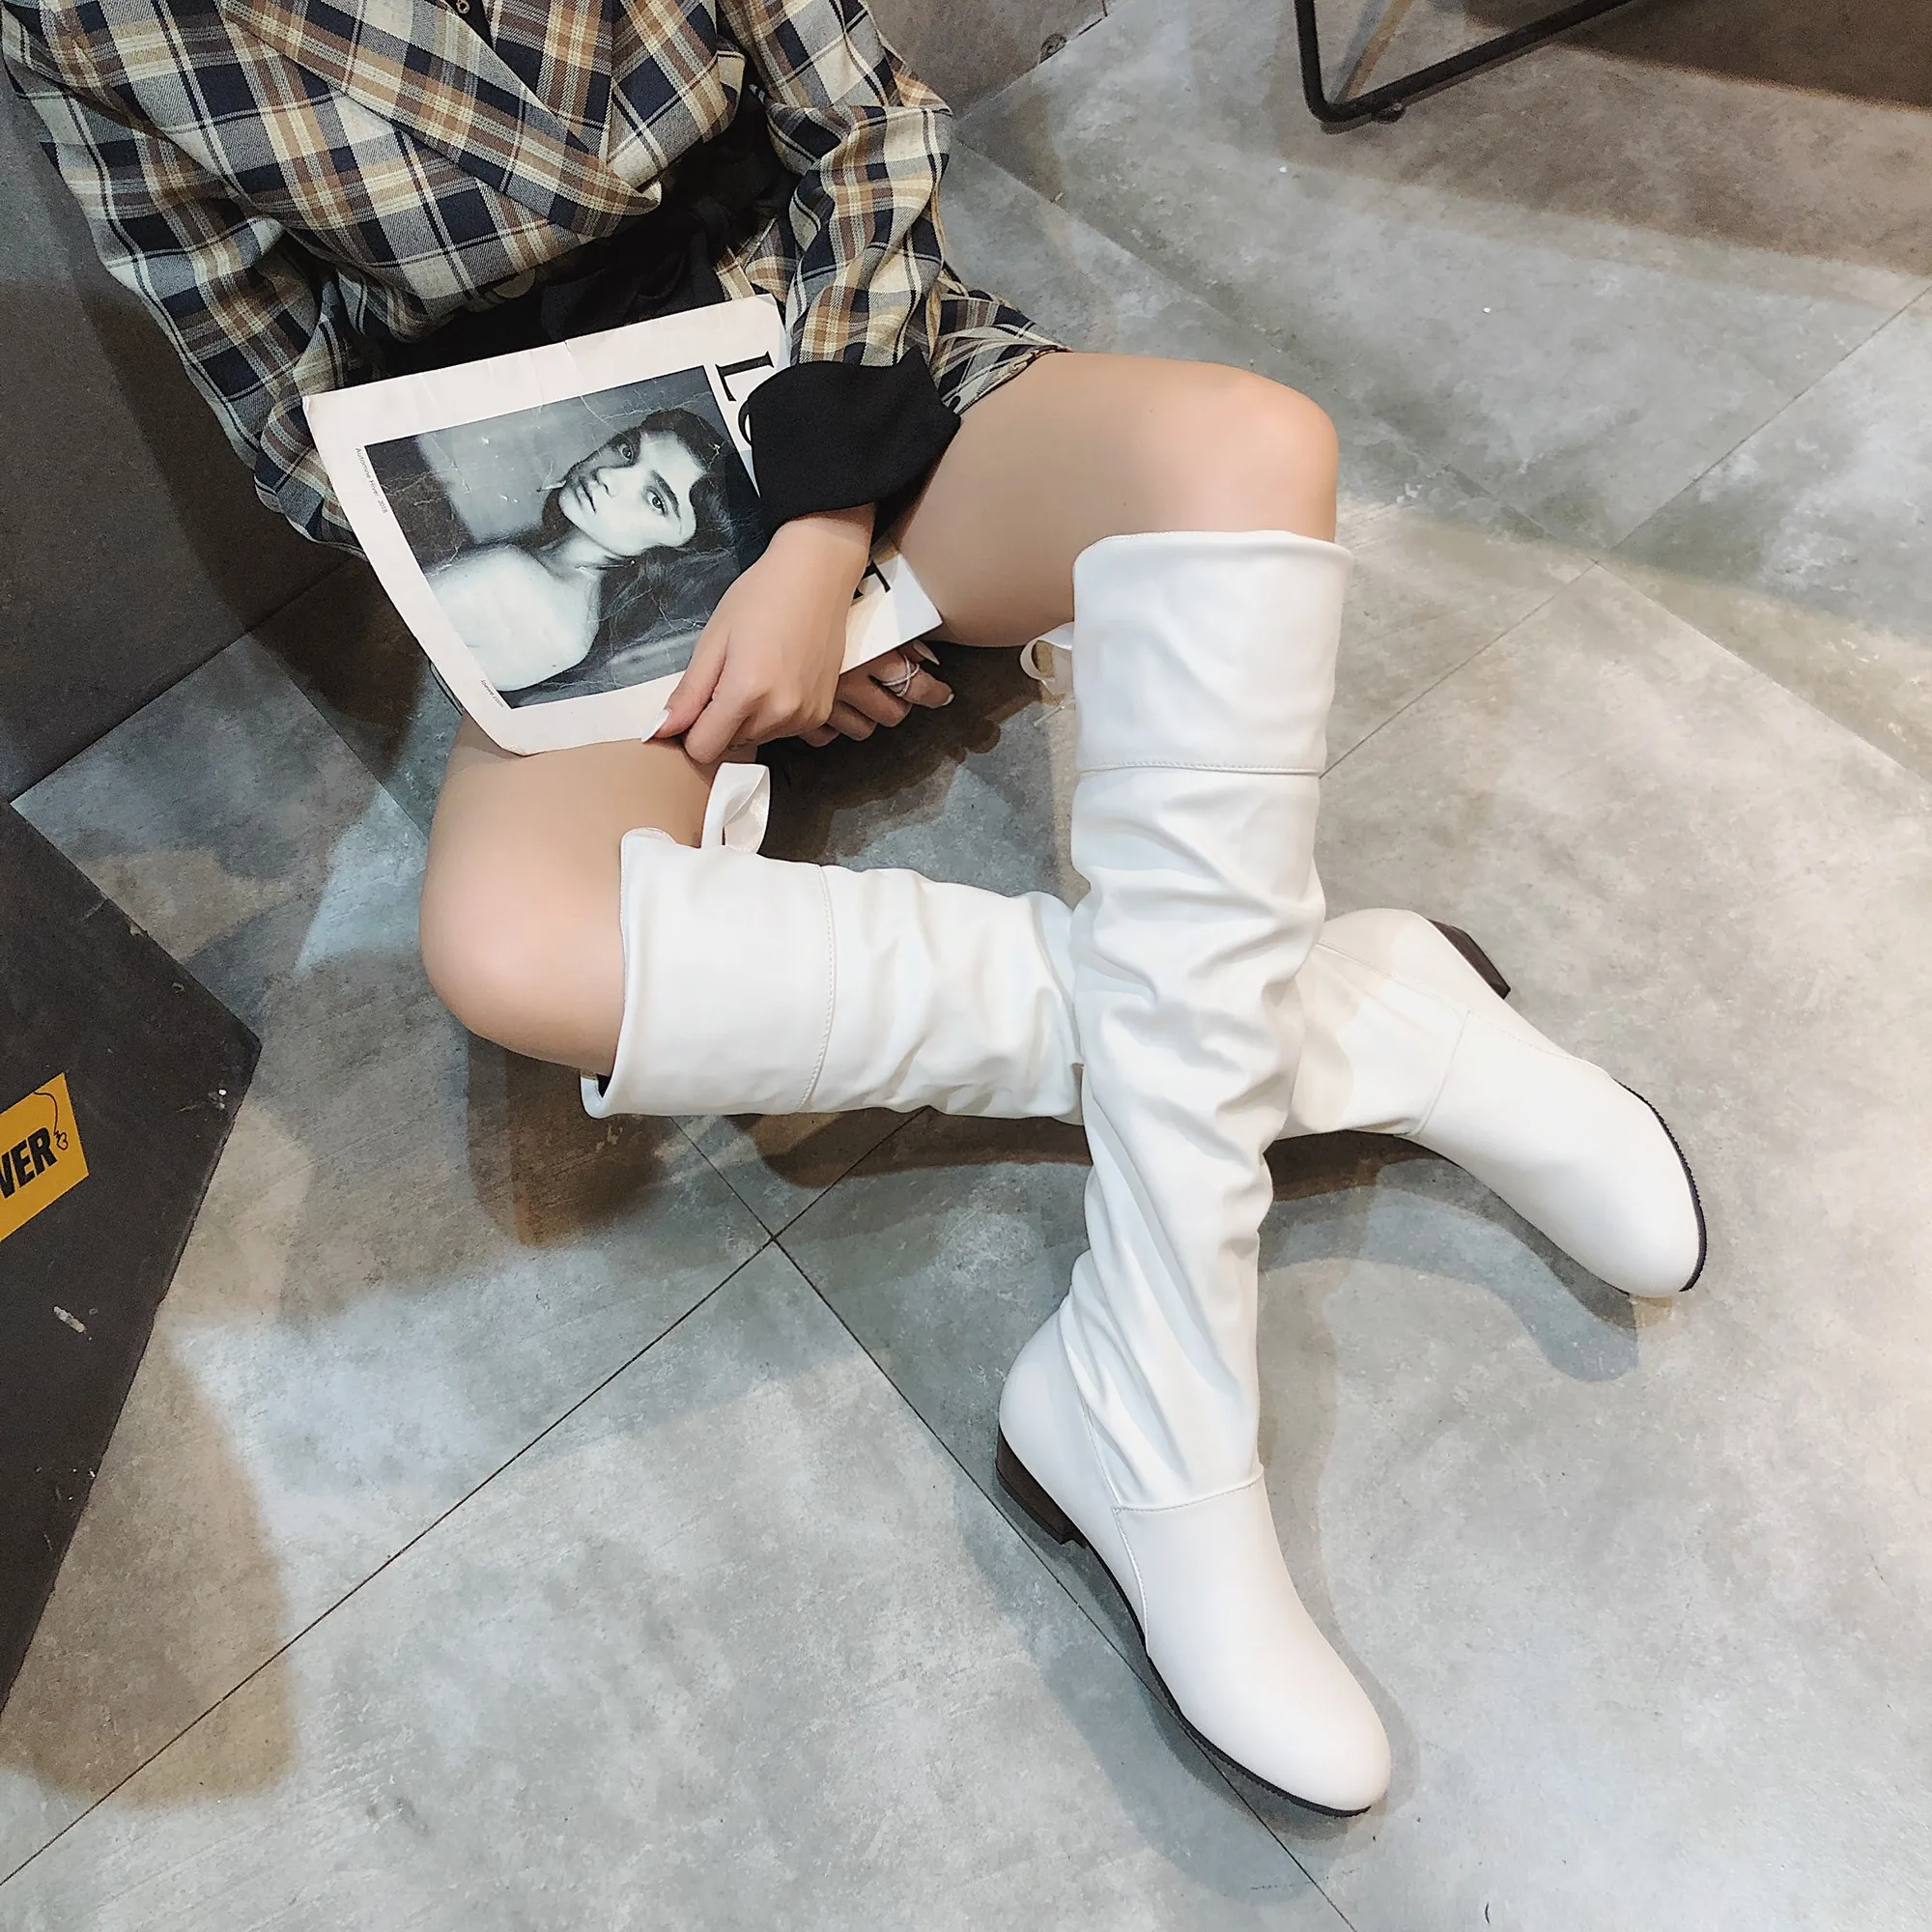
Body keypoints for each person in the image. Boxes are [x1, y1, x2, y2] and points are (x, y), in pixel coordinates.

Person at [7, 0, 1704, 1814]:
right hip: (590, 530)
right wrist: (700, 600)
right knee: (513, 947)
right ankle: (1366, 1030)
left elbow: (867, 130)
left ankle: (1157, 1404)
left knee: (1250, 454)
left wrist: (819, 542)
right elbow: (290, 421)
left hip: (846, 351)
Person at [425, 410, 732, 697]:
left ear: (676, 550)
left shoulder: (513, 576)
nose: (609, 475)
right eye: (628, 451)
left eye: (656, 500)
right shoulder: (575, 621)